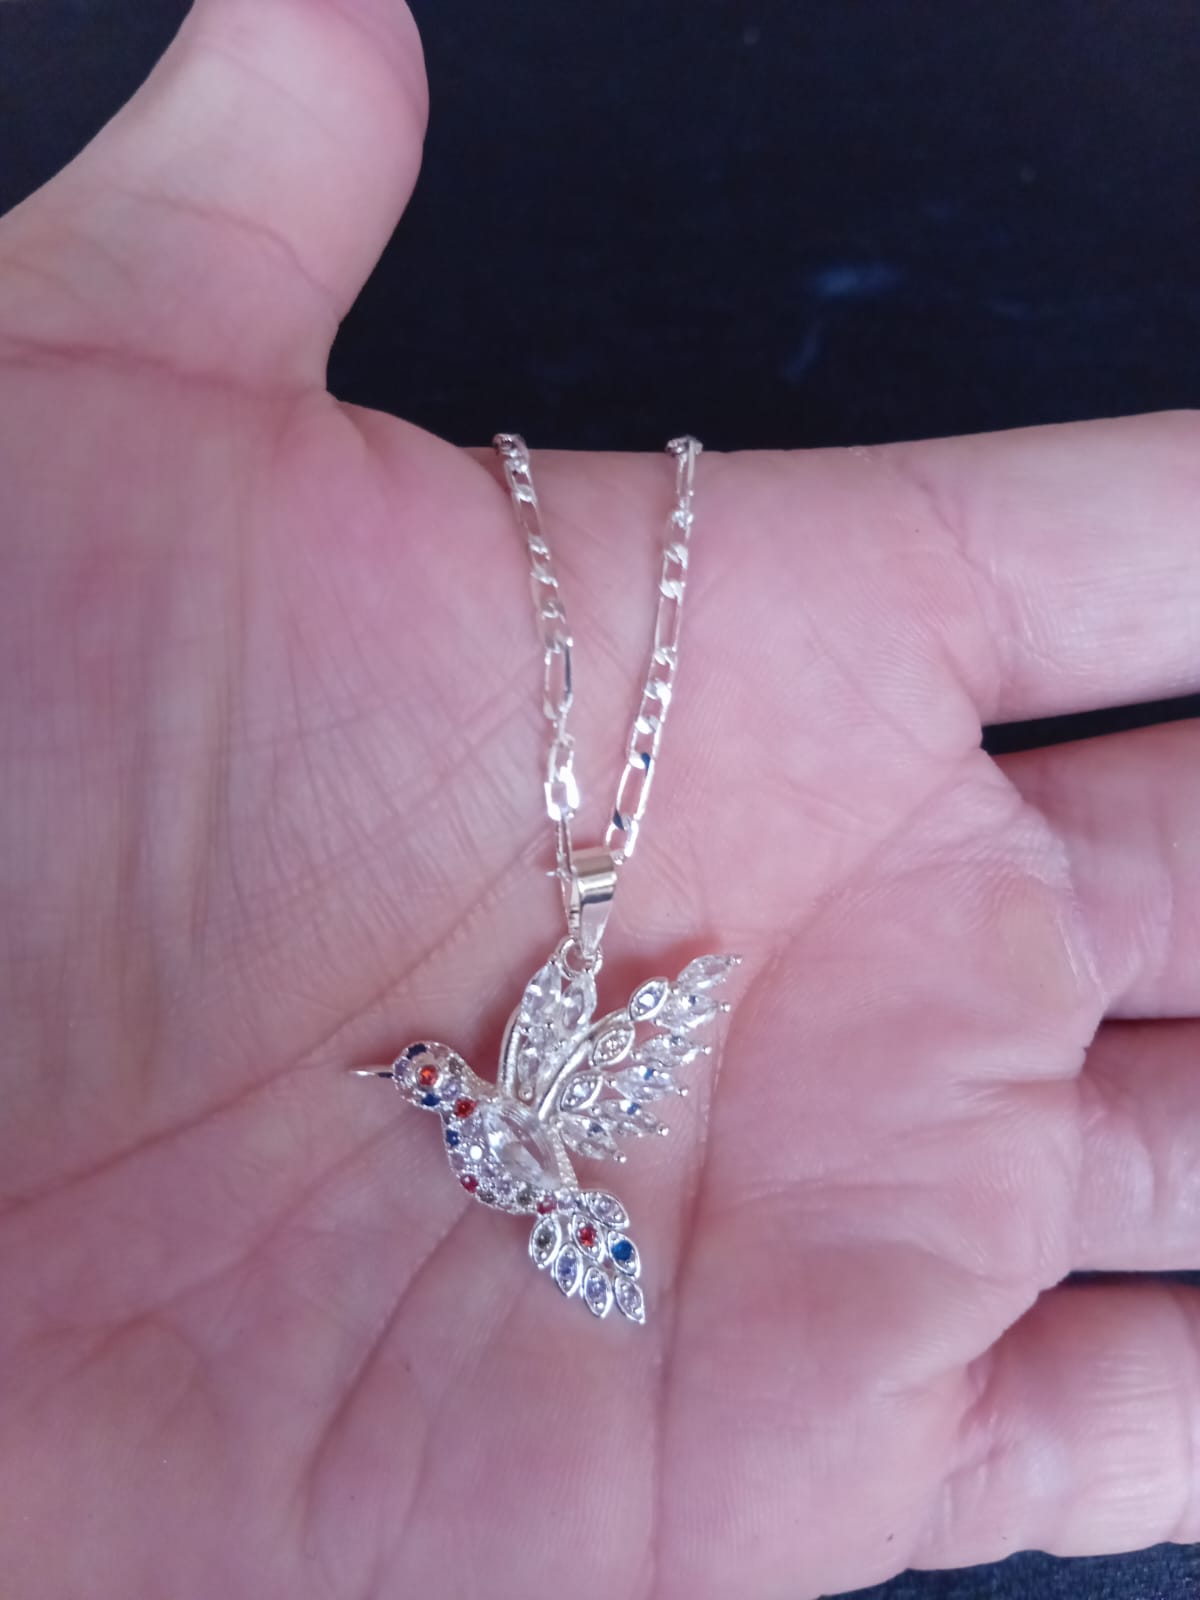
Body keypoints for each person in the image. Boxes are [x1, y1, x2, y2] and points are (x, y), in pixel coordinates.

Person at [1, 3, 1198, 1596]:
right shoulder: (507, 1117)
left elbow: (592, 1042)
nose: (431, 1082)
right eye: (431, 1080)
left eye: (437, 1079)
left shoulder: (520, 1111)